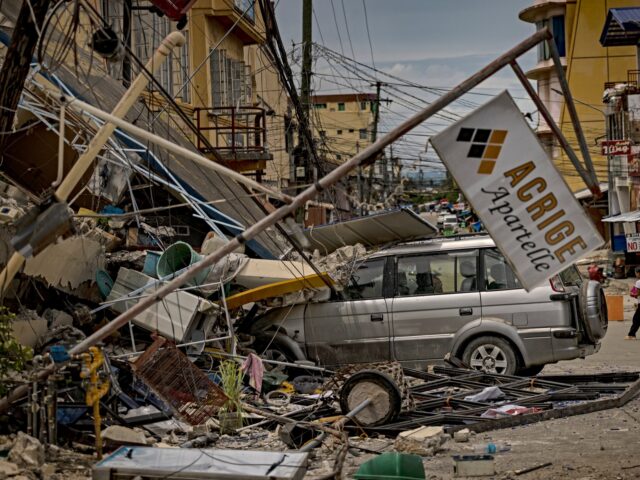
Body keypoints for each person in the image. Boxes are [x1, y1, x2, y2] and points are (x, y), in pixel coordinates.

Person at [625, 266, 640, 339]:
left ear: (638, 273)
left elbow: (637, 293)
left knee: (636, 319)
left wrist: (632, 294)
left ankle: (631, 335)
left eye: (636, 273)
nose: (635, 275)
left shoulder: (639, 282)